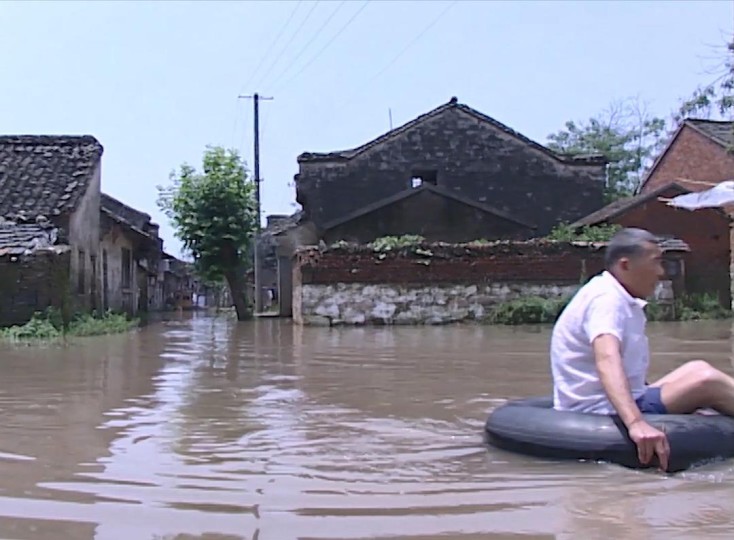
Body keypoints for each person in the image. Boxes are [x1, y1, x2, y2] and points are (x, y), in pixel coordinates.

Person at [550, 227, 734, 472]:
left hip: (613, 399)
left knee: (695, 367)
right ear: (625, 265)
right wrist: (636, 422)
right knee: (706, 380)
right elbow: (607, 358)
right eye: (656, 262)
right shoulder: (607, 301)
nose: (660, 272)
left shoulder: (613, 294)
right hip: (599, 410)